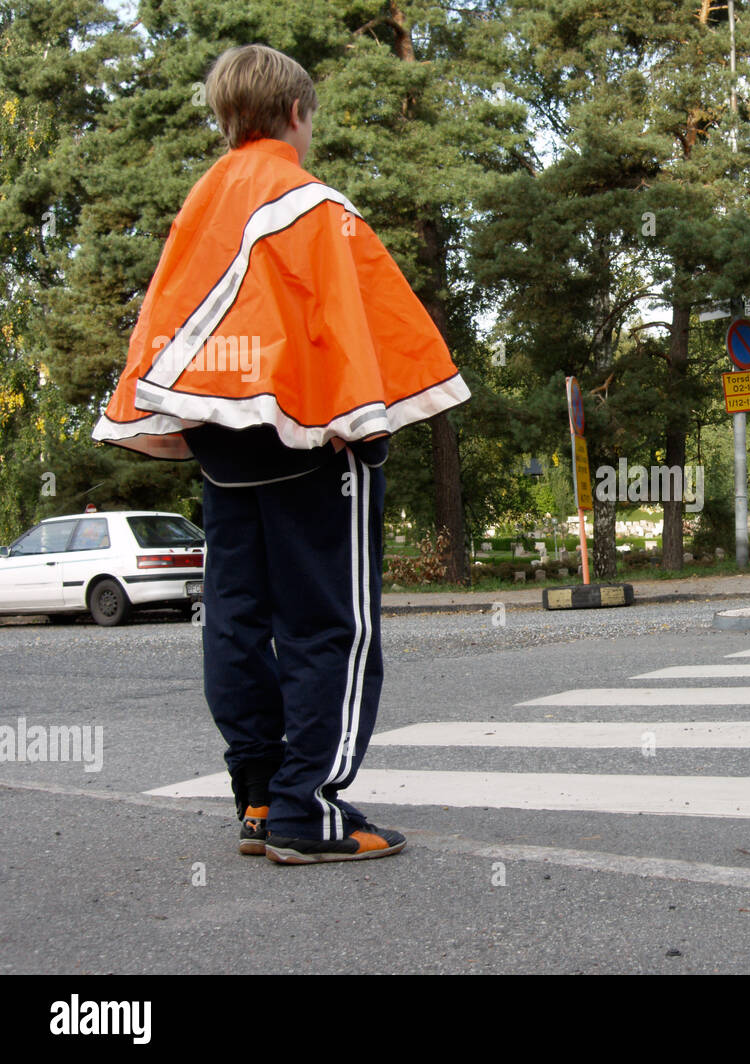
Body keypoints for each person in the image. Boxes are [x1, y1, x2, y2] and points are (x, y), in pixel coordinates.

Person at [92, 44, 470, 863]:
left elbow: (168, 325)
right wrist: (365, 428)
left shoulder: (201, 206)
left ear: (229, 117)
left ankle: (260, 798)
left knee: (234, 617)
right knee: (331, 624)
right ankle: (310, 808)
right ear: (298, 114)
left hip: (219, 441)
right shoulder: (309, 204)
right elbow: (359, 325)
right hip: (311, 440)